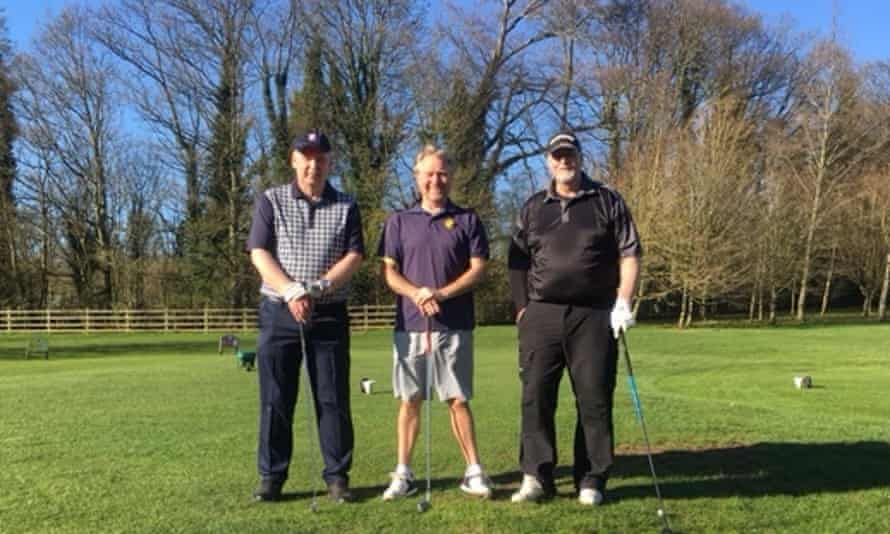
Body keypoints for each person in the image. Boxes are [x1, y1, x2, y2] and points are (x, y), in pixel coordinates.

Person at [507, 130, 642, 505]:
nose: (564, 161)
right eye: (557, 156)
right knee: (535, 395)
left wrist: (623, 301)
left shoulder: (607, 201)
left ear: (581, 158)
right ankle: (536, 476)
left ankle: (592, 478)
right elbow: (516, 260)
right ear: (548, 161)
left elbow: (629, 254)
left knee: (594, 397)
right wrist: (522, 308)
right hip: (542, 314)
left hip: (595, 314)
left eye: (570, 155)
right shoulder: (533, 207)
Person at [246, 129, 364, 503]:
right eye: (306, 156)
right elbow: (259, 252)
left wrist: (319, 287)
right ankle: (272, 477)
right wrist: (290, 289)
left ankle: (337, 477)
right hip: (278, 312)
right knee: (276, 398)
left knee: (332, 398)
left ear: (330, 162)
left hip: (327, 313)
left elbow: (354, 256)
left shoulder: (347, 204)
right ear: (294, 160)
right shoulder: (271, 200)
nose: (313, 164)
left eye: (321, 158)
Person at [377, 145, 493, 500]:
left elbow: (478, 269)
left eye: (442, 173)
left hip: (454, 324)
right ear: (417, 178)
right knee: (410, 399)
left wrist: (440, 294)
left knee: (457, 398)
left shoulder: (468, 220)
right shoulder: (398, 221)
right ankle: (404, 474)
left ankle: (473, 471)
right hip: (410, 324)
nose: (435, 180)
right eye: (428, 173)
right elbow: (390, 274)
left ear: (451, 176)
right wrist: (417, 294)